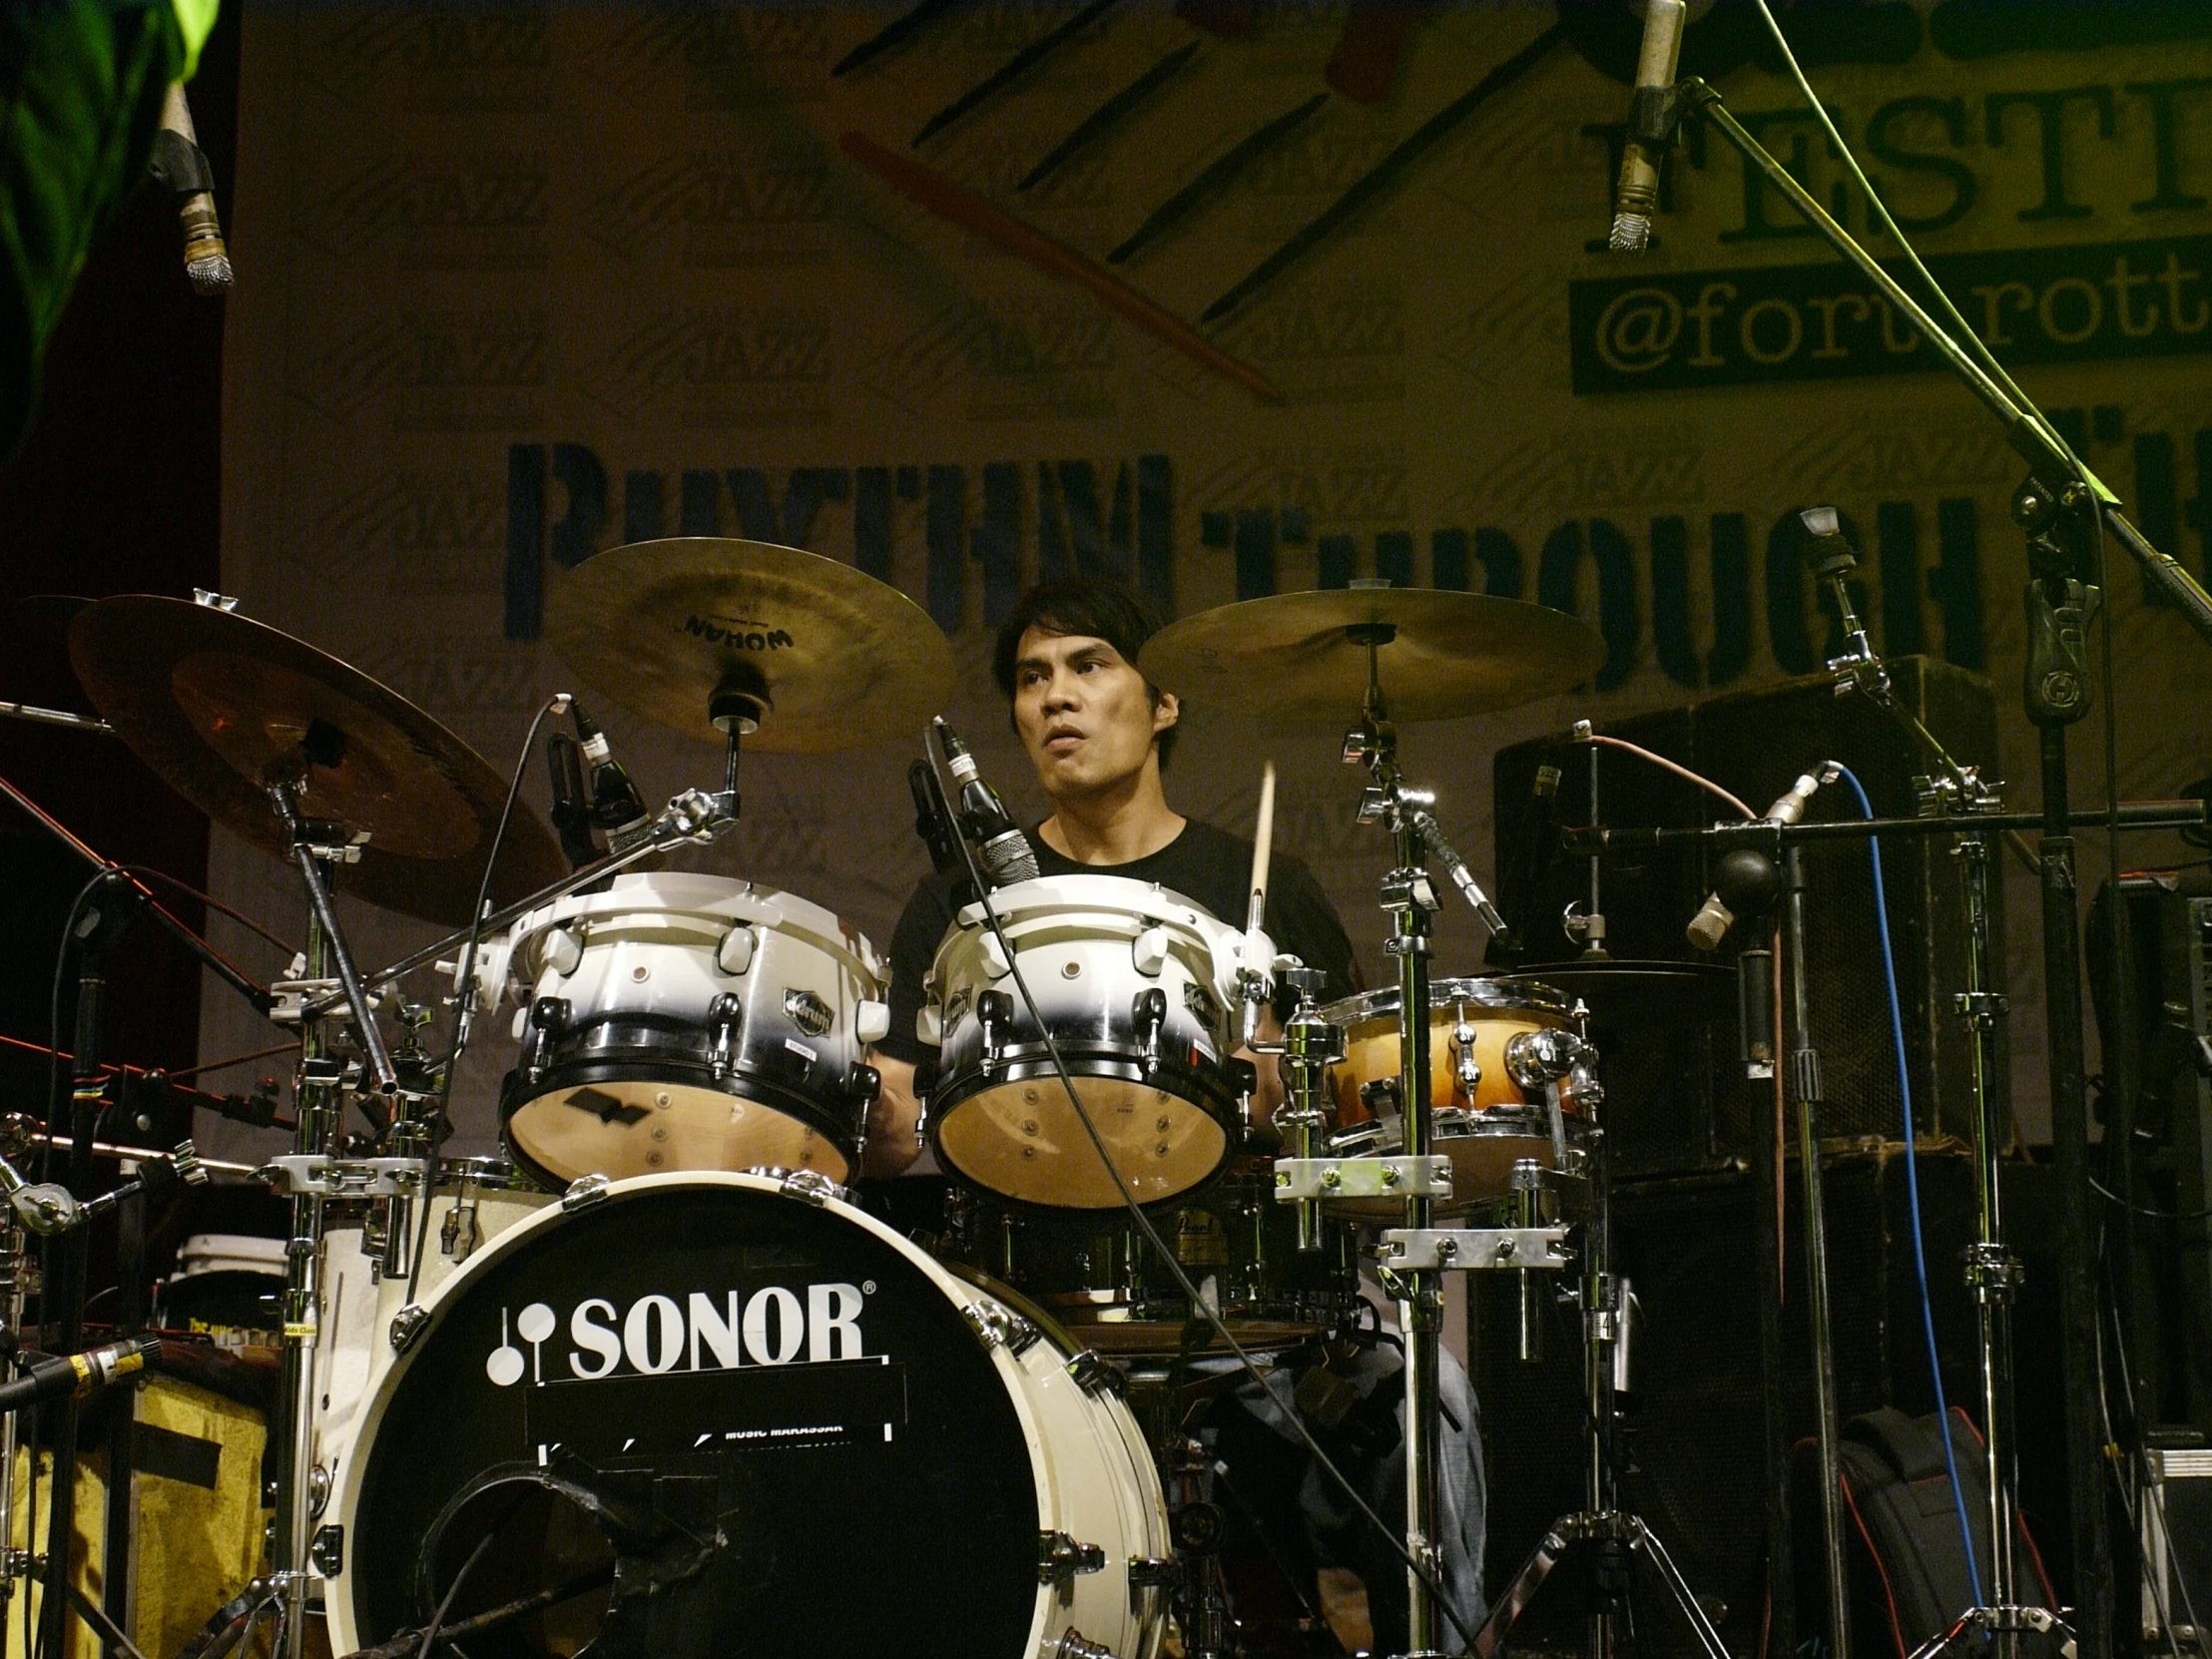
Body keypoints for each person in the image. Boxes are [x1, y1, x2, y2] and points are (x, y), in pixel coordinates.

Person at [864, 578, 1487, 1652]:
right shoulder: (962, 907)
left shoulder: (1266, 889)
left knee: (1427, 1401)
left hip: (1240, 1312)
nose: (1056, 698)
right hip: (1023, 1310)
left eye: (1089, 664)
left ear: (1162, 704)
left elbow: (1341, 1119)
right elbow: (906, 1112)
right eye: (1030, 677)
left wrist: (1279, 1090)